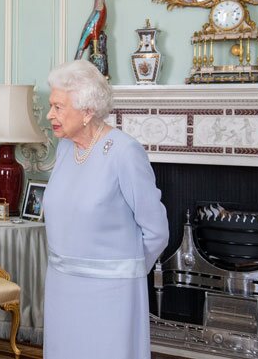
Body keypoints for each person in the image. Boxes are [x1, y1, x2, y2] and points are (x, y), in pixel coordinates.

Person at [42, 59, 169, 359]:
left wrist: (126, 271)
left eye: (58, 107)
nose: (50, 115)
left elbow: (156, 231)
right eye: (52, 106)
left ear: (87, 111)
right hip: (62, 286)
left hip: (112, 294)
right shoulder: (64, 148)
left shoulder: (124, 152)